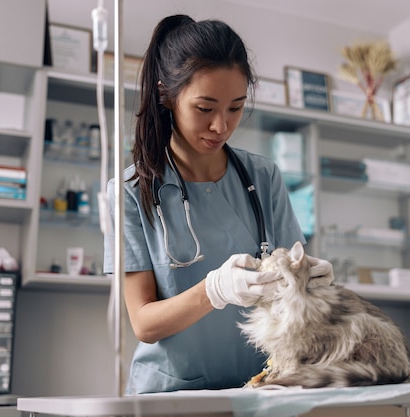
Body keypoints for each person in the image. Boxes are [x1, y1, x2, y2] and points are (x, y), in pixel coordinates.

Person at [104, 14, 334, 394]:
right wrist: (214, 291)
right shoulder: (131, 190)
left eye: (235, 107)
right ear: (167, 96)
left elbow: (285, 295)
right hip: (171, 396)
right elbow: (144, 324)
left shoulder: (264, 178)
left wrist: (310, 285)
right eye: (205, 108)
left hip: (260, 390)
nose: (221, 126)